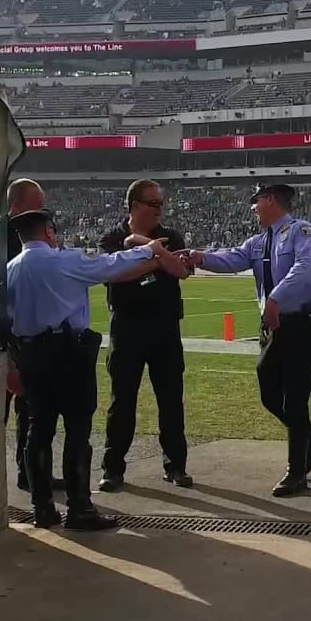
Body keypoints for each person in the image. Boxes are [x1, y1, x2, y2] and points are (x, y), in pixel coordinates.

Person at [6, 208, 175, 529]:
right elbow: (111, 265)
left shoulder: (12, 268)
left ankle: (42, 507)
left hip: (30, 354)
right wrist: (149, 249)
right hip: (68, 353)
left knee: (38, 432)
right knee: (77, 430)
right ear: (49, 232)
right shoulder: (63, 260)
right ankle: (79, 508)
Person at [180, 184, 311, 497]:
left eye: (257, 201)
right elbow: (232, 259)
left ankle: (297, 470)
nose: (252, 208)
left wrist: (275, 299)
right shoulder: (260, 241)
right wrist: (199, 257)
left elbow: (306, 269)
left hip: (301, 324)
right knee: (269, 391)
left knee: (295, 397)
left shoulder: (300, 232)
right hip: (274, 328)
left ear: (271, 201)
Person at [97, 179, 192, 492]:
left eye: (161, 203)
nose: (159, 209)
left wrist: (145, 247)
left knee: (171, 401)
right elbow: (115, 273)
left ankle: (175, 466)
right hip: (127, 328)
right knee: (122, 401)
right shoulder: (111, 238)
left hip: (165, 328)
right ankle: (113, 469)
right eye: (153, 204)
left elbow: (181, 270)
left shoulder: (171, 235)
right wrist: (156, 257)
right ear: (135, 205)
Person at [3, 177, 63, 493]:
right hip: (10, 344)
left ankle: (33, 475)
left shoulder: (24, 241)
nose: (43, 213)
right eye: (36, 206)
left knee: (33, 415)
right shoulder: (1, 242)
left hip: (28, 346)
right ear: (15, 207)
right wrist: (8, 362)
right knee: (4, 413)